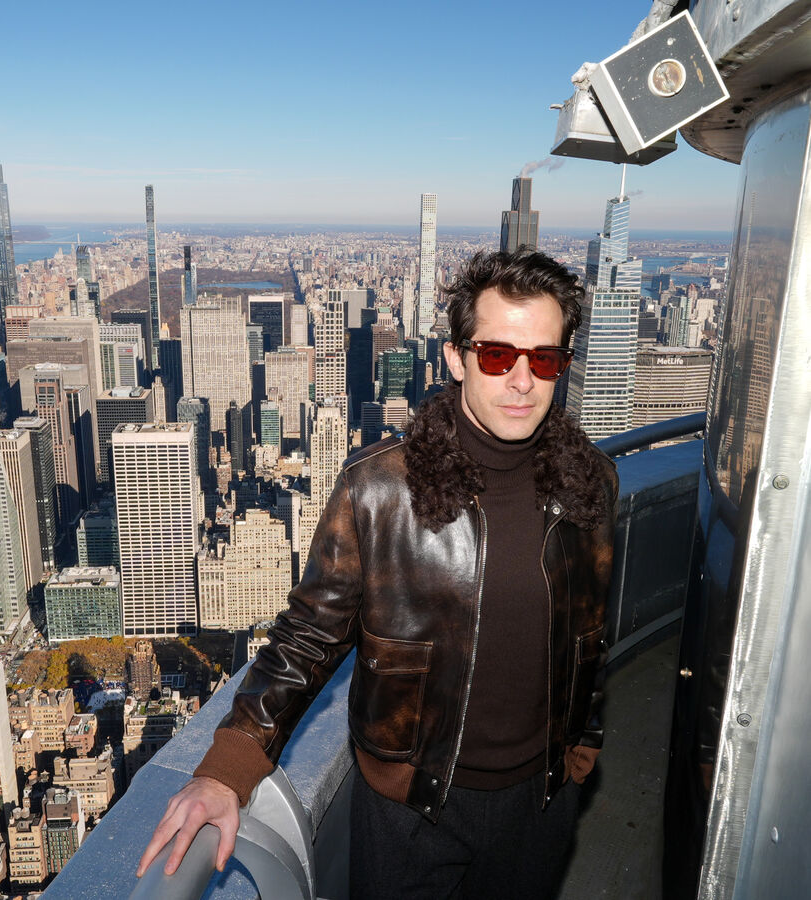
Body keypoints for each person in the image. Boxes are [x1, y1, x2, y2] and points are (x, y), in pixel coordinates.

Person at [137, 247, 618, 899]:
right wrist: (229, 766)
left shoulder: (591, 486)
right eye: (497, 355)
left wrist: (581, 752)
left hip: (541, 803)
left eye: (545, 359)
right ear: (456, 358)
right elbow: (308, 636)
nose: (522, 381)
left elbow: (591, 636)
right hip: (410, 809)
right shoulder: (379, 490)